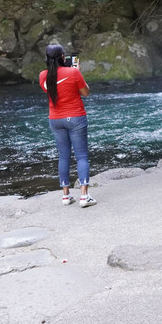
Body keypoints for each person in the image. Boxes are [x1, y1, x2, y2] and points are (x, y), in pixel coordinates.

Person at [39, 44, 96, 208]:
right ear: (63, 57)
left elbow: (52, 92)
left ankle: (66, 195)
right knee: (82, 156)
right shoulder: (73, 72)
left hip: (55, 119)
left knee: (63, 156)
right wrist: (77, 71)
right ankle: (84, 196)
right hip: (76, 117)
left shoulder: (43, 75)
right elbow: (86, 93)